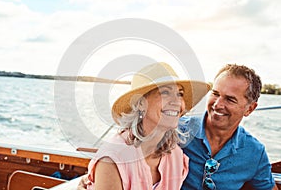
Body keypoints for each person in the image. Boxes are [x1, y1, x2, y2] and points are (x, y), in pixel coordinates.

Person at [79, 62, 210, 190]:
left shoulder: (176, 157)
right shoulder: (113, 161)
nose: (176, 102)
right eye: (165, 92)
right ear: (141, 103)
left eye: (180, 94)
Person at [179, 64, 278, 190]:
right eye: (215, 94)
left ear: (250, 109)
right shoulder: (176, 131)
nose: (217, 104)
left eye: (230, 99)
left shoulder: (254, 152)